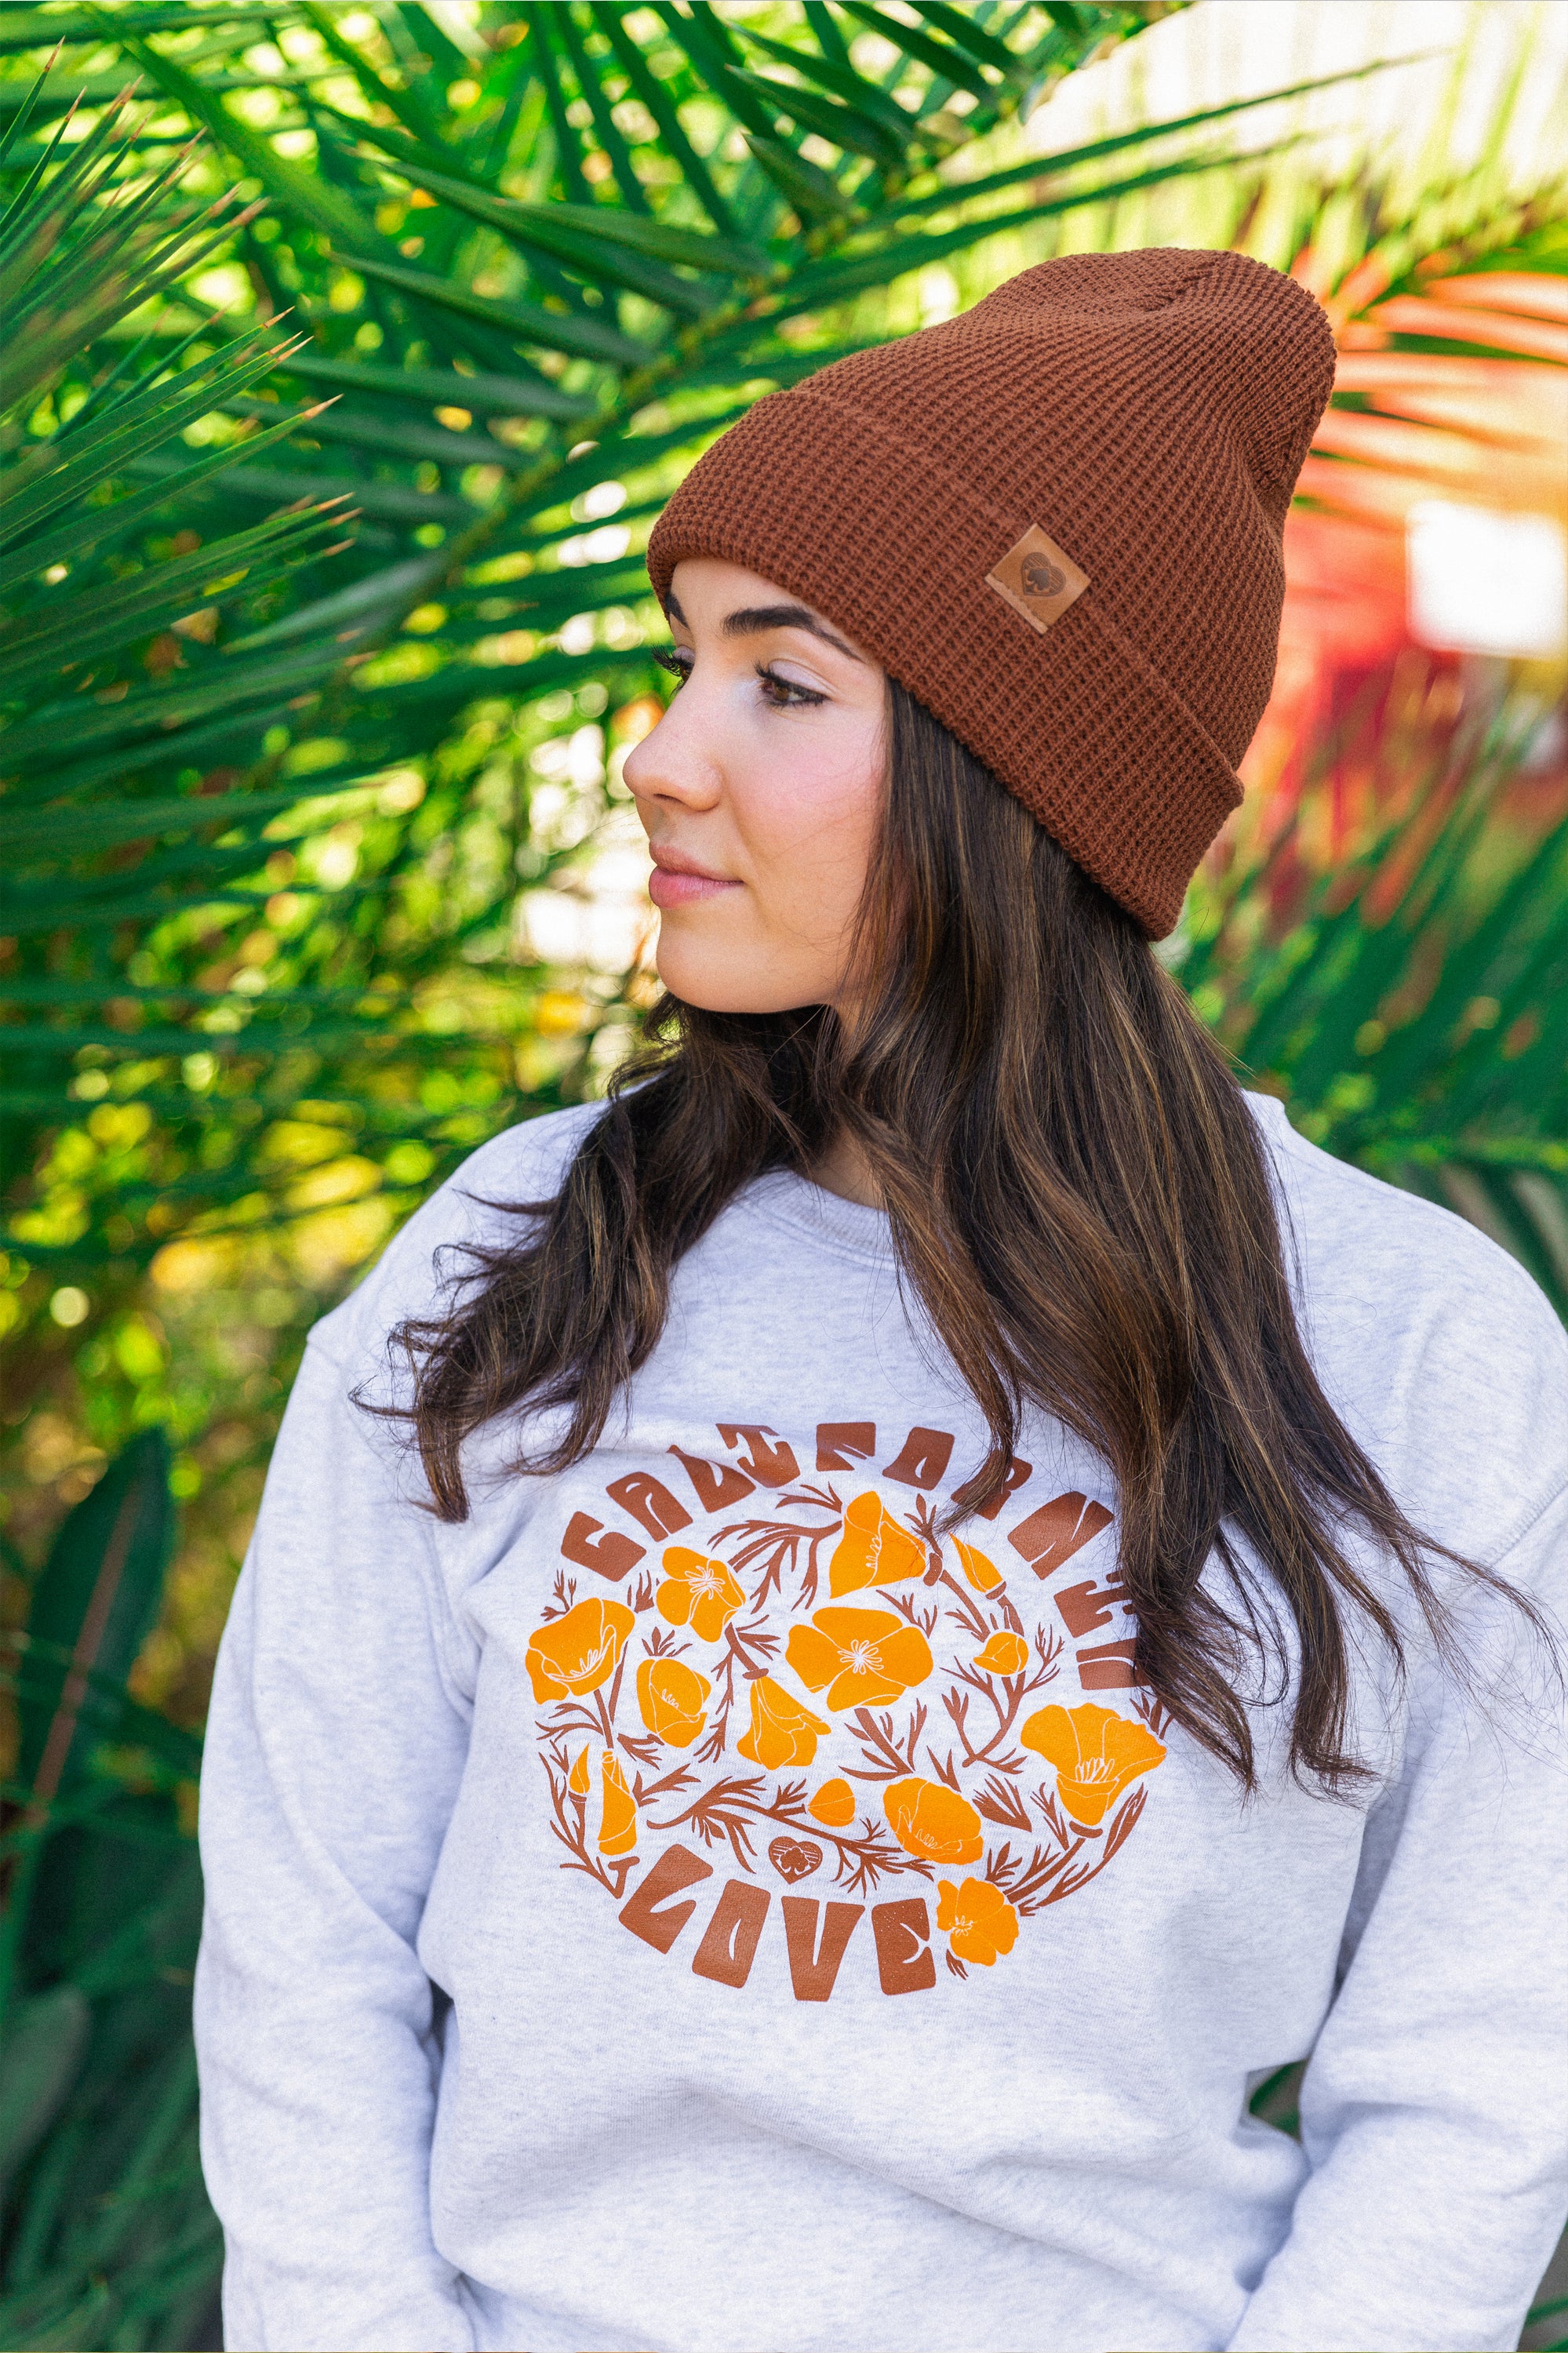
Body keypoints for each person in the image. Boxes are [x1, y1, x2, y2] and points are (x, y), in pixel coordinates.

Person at [193, 250, 1566, 2353]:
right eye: (677, 664)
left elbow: (1479, 2075)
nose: (658, 758)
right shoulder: (518, 1263)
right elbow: (306, 1942)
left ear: (1029, 785)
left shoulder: (1416, 1352)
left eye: (783, 680)